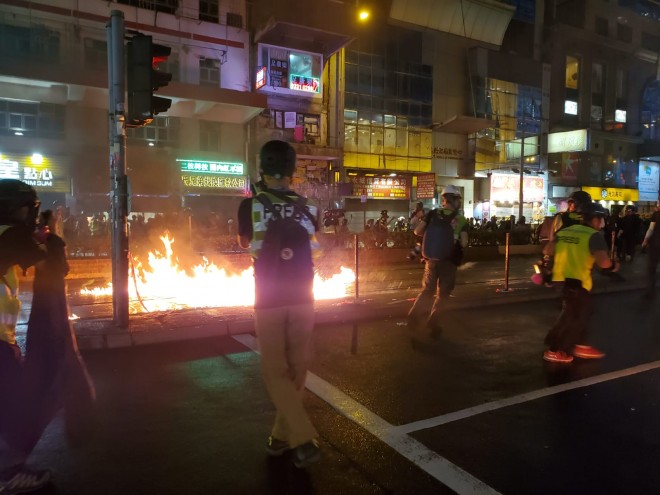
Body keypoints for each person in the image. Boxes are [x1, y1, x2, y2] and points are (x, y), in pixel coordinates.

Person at [237, 140, 322, 468]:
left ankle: (302, 437)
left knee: (276, 370)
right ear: (292, 169)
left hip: (269, 298)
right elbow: (316, 247)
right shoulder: (310, 206)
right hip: (303, 296)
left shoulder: (250, 205)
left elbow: (245, 243)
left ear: (262, 168)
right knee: (297, 368)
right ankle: (280, 437)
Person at [0, 179, 51, 493]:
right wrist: (52, 242)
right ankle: (9, 473)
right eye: (27, 208)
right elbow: (51, 267)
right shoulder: (12, 234)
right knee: (18, 404)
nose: (31, 215)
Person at [542, 201, 619, 363]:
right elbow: (604, 262)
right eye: (601, 219)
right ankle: (554, 349)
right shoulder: (593, 235)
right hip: (577, 282)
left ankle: (579, 344)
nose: (602, 223)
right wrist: (613, 266)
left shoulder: (565, 231)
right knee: (573, 316)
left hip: (560, 279)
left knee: (580, 312)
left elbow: (547, 250)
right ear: (595, 219)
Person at [407, 185, 468, 340]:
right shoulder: (461, 219)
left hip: (431, 260)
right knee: (443, 294)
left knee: (427, 290)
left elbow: (417, 231)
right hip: (449, 261)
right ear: (456, 200)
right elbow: (464, 242)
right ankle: (433, 322)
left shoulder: (433, 214)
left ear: (444, 199)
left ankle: (413, 315)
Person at [641, 198, 660, 300]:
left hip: (655, 244)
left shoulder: (656, 215)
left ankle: (650, 291)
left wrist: (645, 240)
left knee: (651, 269)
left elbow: (651, 229)